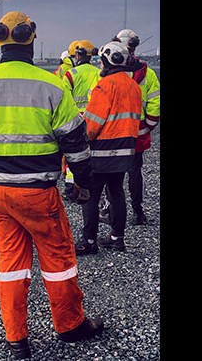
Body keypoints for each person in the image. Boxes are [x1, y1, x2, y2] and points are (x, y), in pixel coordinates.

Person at [0, 10, 104, 359]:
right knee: (58, 260)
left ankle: (16, 338)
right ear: (31, 39)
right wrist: (83, 183)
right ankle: (69, 326)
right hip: (38, 194)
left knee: (10, 264)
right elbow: (75, 144)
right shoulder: (50, 85)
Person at [74, 41, 142, 256]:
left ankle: (90, 241)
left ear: (109, 61)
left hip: (102, 150)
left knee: (91, 196)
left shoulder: (105, 85)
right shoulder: (133, 86)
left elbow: (93, 123)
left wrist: (80, 142)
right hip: (126, 149)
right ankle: (116, 239)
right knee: (116, 192)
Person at [100, 29, 161, 225]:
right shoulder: (148, 73)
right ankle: (138, 210)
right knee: (136, 171)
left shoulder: (109, 74)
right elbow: (155, 103)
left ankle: (109, 209)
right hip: (138, 131)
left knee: (111, 174)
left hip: (113, 132)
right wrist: (148, 126)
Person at [61, 40, 100, 201]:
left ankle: (71, 189)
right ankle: (90, 185)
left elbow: (64, 99)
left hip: (74, 121)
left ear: (77, 55)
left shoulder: (71, 74)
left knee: (72, 157)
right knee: (90, 155)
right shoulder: (98, 73)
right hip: (95, 119)